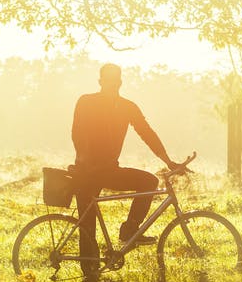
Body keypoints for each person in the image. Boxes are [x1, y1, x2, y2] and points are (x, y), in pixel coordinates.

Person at [70, 63, 183, 270]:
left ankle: (130, 230)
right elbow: (77, 133)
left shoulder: (127, 107)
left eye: (114, 81)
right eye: (107, 81)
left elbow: (146, 133)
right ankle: (89, 272)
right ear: (100, 82)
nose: (111, 84)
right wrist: (85, 160)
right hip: (86, 172)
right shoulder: (86, 102)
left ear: (120, 82)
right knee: (87, 225)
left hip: (109, 170)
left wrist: (168, 161)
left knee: (149, 181)